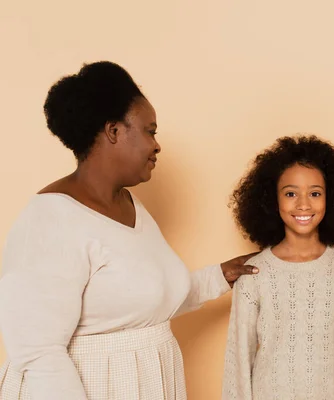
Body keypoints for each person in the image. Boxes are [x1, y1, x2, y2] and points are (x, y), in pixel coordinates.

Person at [0, 61, 257, 400]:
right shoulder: (51, 219)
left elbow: (141, 302)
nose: (157, 144)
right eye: (150, 130)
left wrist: (221, 276)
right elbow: (36, 351)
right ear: (114, 131)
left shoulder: (131, 206)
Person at [222, 135, 334, 399]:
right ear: (273, 200)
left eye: (315, 193)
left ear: (332, 198)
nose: (303, 204)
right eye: (291, 193)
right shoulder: (254, 274)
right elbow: (238, 363)